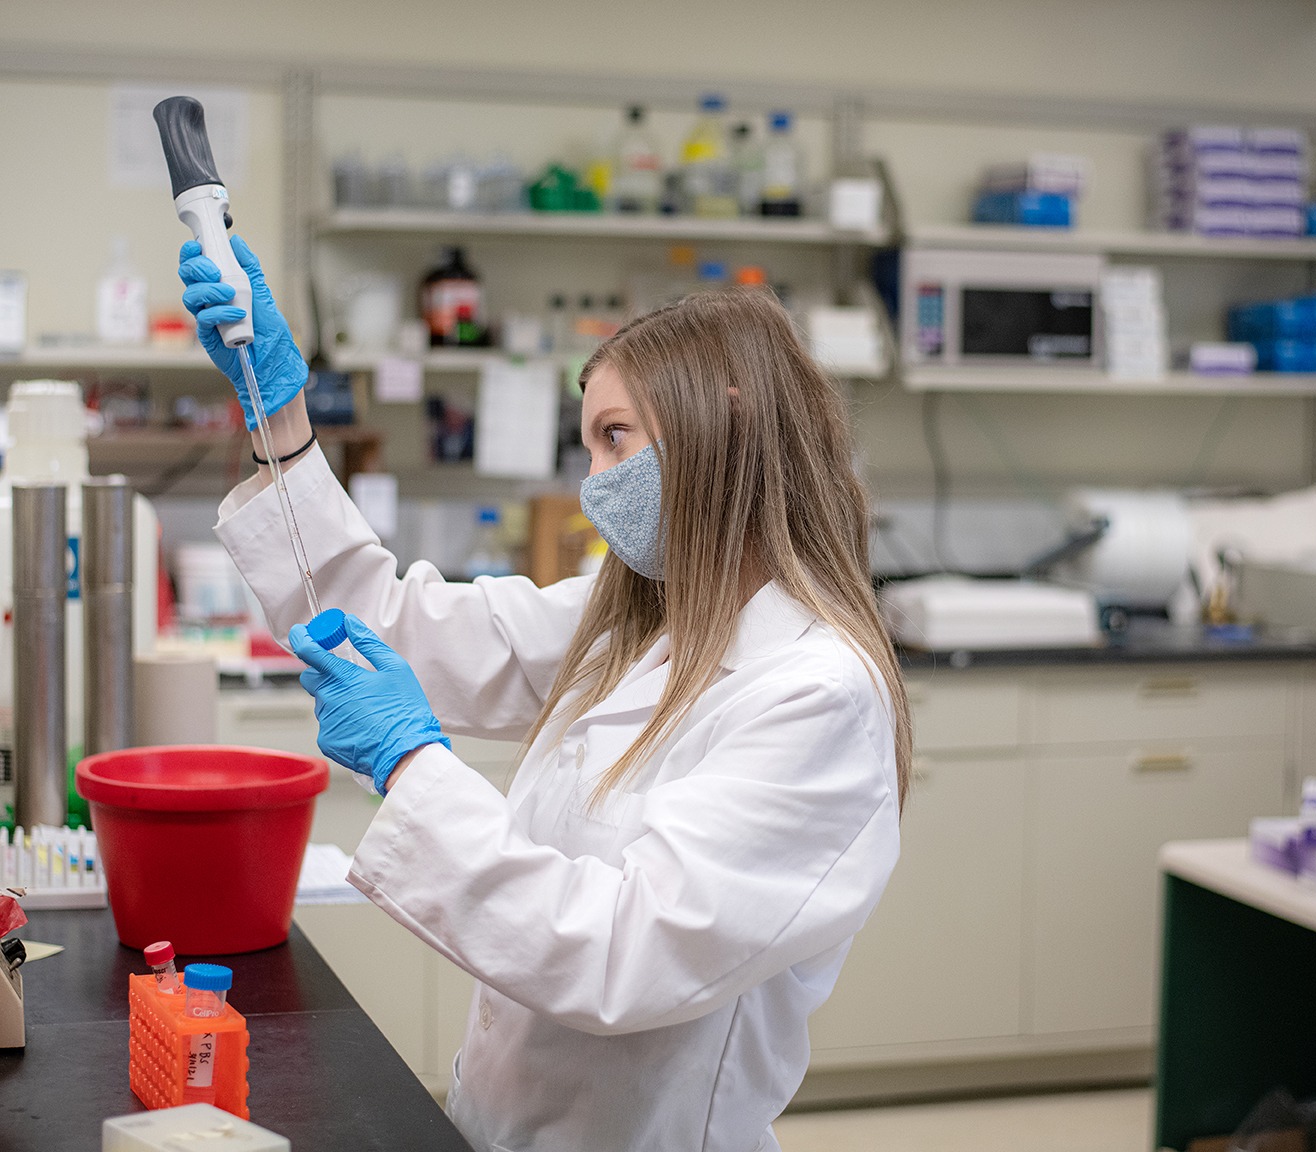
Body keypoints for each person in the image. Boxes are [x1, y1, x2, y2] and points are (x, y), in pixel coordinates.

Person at [178, 235, 912, 1152]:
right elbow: (382, 626)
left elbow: (624, 954)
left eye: (617, 439)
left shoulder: (815, 693)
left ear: (724, 424)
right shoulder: (637, 625)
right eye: (588, 446)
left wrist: (413, 762)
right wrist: (280, 420)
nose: (595, 485)